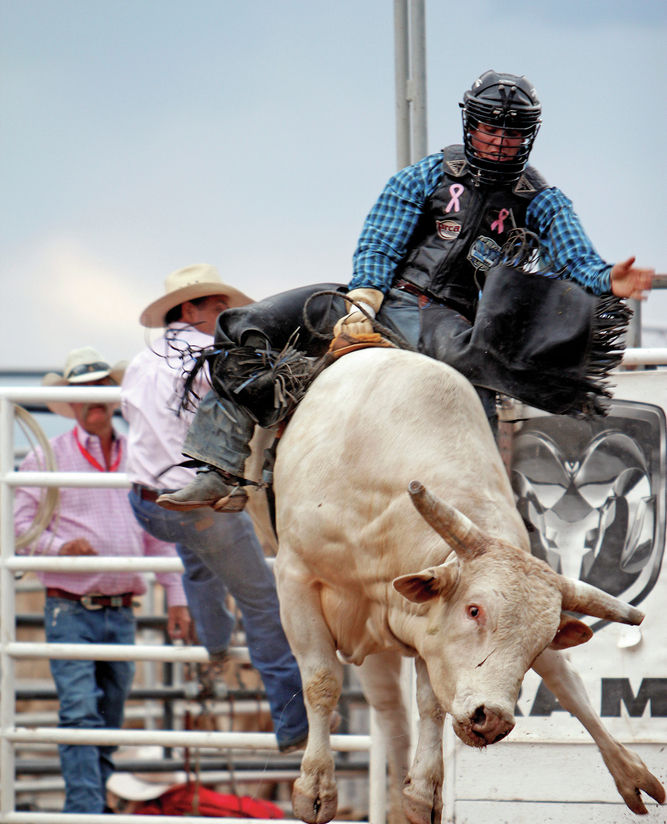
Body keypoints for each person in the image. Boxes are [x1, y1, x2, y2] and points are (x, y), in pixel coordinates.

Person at [158, 69, 655, 510]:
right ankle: (219, 468)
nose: (500, 140)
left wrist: (609, 278)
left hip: (453, 321)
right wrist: (365, 298)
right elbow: (379, 240)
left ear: (528, 136)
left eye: (512, 132)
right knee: (247, 324)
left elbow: (578, 260)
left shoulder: (542, 200)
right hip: (382, 298)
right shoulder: (427, 175)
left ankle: (482, 509)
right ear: (471, 125)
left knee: (470, 400)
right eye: (491, 128)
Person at [120, 264, 311, 753]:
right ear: (192, 310)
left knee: (199, 555)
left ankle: (216, 643)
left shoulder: (142, 361)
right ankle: (295, 726)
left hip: (145, 502)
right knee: (264, 604)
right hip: (195, 504)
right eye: (220, 308)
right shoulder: (214, 357)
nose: (228, 318)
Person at [14, 346, 190, 824]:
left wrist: (176, 595)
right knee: (82, 717)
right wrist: (57, 549)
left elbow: (159, 535)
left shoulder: (138, 456)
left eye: (100, 386)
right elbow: (21, 530)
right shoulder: (45, 458)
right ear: (71, 402)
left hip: (118, 609)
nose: (93, 397)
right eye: (82, 389)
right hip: (72, 606)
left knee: (103, 721)